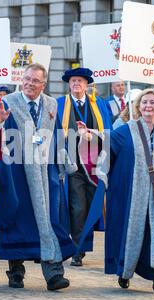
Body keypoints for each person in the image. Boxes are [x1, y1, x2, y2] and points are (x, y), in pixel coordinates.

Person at [78, 88, 154, 295]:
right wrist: (88, 135)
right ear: (138, 107)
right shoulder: (127, 129)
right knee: (131, 233)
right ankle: (125, 272)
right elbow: (108, 141)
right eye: (144, 103)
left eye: (152, 102)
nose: (148, 106)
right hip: (132, 194)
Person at [0, 63, 75, 291]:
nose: (29, 84)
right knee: (18, 220)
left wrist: (64, 164)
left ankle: (53, 273)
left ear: (43, 84)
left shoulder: (51, 104)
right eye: (26, 79)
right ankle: (15, 271)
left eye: (35, 81)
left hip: (47, 174)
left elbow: (57, 136)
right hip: (17, 171)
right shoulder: (8, 102)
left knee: (50, 219)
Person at [56, 67, 112, 267]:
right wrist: (74, 135)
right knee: (77, 207)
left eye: (80, 81)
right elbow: (53, 131)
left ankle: (83, 245)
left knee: (90, 206)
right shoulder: (60, 104)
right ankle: (78, 249)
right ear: (69, 84)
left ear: (87, 84)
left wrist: (92, 134)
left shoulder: (99, 104)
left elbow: (108, 132)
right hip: (72, 164)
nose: (76, 84)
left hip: (95, 165)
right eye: (73, 81)